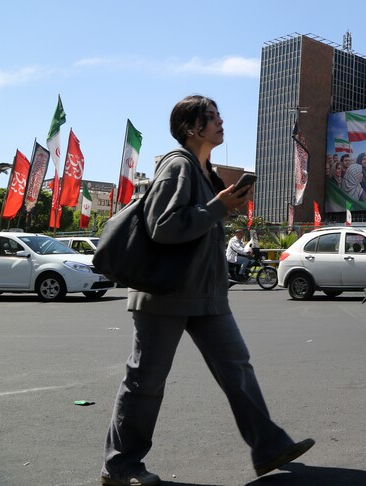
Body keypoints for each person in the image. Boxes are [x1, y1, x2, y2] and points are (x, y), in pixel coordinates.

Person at [100, 95, 313, 486]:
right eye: (211, 118)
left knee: (237, 369)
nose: (220, 122)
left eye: (218, 116)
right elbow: (162, 225)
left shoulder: (205, 171)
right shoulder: (178, 165)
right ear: (190, 128)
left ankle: (268, 445)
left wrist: (221, 206)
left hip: (207, 295)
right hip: (165, 293)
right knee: (145, 381)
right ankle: (120, 467)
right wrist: (216, 208)